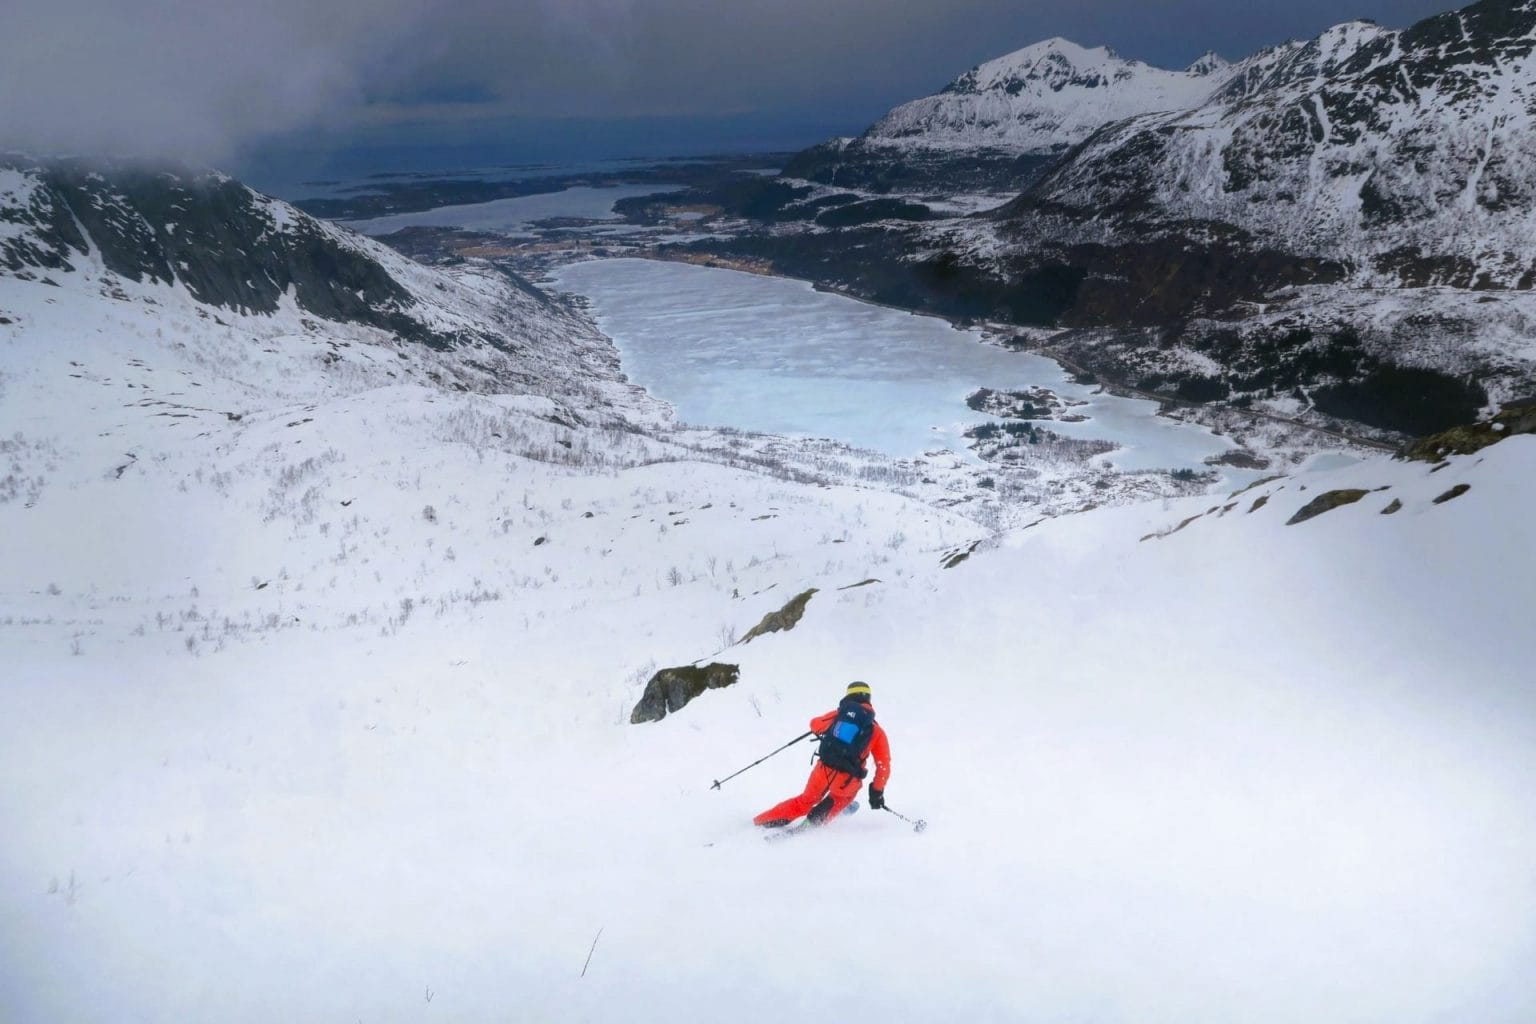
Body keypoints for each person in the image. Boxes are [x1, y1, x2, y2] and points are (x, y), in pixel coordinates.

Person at [754, 681, 891, 828]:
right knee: (842, 798)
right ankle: (814, 822)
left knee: (805, 801)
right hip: (847, 780)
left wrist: (837, 718)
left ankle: (761, 821)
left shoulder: (839, 715)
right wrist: (877, 792)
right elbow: (883, 765)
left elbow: (815, 724)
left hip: (823, 769)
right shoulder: (877, 731)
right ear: (868, 698)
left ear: (849, 696)